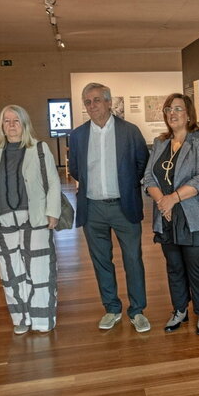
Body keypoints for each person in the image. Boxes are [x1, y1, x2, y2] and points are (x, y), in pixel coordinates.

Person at [68, 83, 150, 332]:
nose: (92, 106)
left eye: (96, 100)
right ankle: (112, 308)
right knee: (101, 261)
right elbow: (75, 169)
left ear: (108, 102)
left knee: (133, 260)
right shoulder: (78, 135)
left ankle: (137, 311)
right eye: (87, 102)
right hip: (92, 208)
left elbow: (141, 165)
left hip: (123, 206)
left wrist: (125, 187)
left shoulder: (130, 131)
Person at [0, 105, 61, 334]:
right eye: (7, 121)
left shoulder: (40, 148)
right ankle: (21, 318)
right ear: (1, 126)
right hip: (4, 223)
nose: (12, 125)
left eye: (16, 120)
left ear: (24, 123)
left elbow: (53, 182)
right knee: (12, 274)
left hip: (35, 220)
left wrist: (52, 212)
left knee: (40, 271)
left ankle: (42, 319)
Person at [143, 93, 199, 335]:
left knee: (198, 267)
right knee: (174, 267)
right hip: (167, 216)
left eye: (178, 109)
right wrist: (162, 202)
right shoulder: (160, 143)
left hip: (195, 216)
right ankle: (179, 310)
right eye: (168, 109)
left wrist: (172, 199)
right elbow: (148, 177)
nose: (172, 114)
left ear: (188, 114)